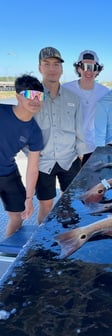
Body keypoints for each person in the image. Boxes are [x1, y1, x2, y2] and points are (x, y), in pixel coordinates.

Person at [35, 47, 86, 224]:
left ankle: (70, 237)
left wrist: (81, 158)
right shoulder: (31, 97)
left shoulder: (74, 99)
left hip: (70, 160)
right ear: (40, 67)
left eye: (56, 64)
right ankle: (41, 246)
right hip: (42, 163)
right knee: (45, 206)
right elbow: (23, 130)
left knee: (72, 202)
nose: (52, 68)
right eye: (46, 64)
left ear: (61, 68)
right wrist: (32, 156)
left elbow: (80, 132)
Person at [0, 75, 44, 236]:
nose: (35, 100)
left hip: (7, 173)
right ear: (18, 96)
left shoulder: (35, 132)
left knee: (18, 216)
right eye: (29, 95)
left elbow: (33, 168)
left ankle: (10, 254)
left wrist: (29, 198)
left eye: (39, 96)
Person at [63, 50, 109, 165]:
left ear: (97, 70)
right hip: (69, 149)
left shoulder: (105, 92)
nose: (88, 71)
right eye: (84, 66)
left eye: (93, 67)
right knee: (71, 183)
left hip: (93, 147)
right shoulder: (65, 89)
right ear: (78, 68)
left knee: (93, 181)